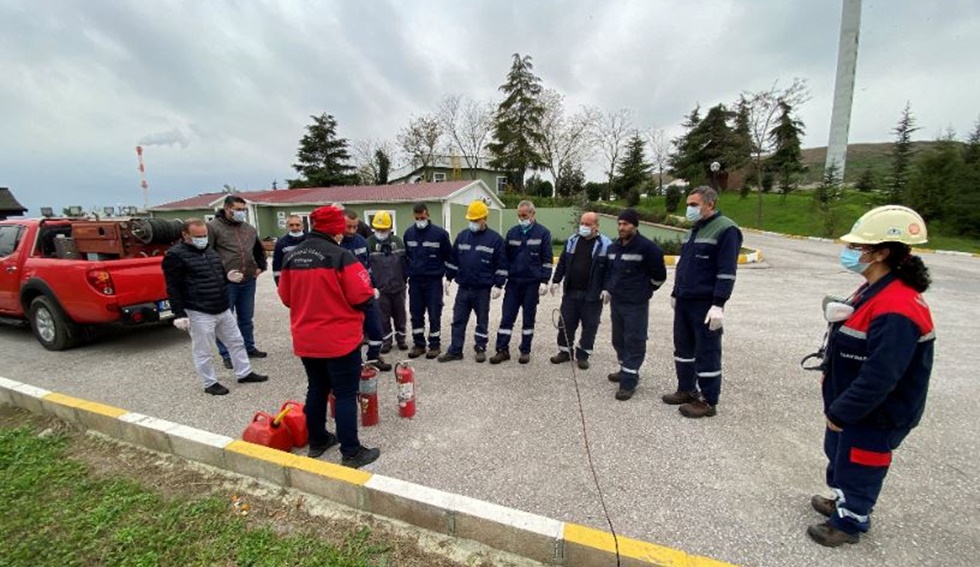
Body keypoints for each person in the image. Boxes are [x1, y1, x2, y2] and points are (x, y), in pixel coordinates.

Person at [807, 205, 934, 547]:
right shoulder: (872, 289)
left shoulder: (897, 307)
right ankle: (843, 500)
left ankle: (850, 522)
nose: (849, 253)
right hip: (854, 404)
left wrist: (842, 410)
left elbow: (881, 375)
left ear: (881, 253)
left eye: (857, 248)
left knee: (861, 463)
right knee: (840, 455)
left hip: (875, 412)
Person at [277, 205, 381, 469]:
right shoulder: (341, 256)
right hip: (339, 339)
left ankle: (318, 440)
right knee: (346, 393)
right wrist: (370, 298)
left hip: (306, 338)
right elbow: (362, 296)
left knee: (317, 388)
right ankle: (351, 451)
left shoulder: (293, 256)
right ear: (336, 228)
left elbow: (286, 297)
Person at [162, 218, 268, 395]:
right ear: (185, 235)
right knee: (203, 350)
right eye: (197, 236)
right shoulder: (175, 255)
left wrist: (228, 277)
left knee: (236, 341)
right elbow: (173, 286)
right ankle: (209, 383)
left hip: (221, 306)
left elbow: (215, 274)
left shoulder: (209, 251)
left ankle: (244, 372)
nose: (202, 239)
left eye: (204, 235)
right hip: (199, 310)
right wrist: (179, 313)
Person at [663, 186, 743, 418]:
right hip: (685, 300)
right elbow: (685, 265)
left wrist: (719, 303)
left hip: (706, 303)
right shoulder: (694, 230)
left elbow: (727, 271)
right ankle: (686, 389)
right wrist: (676, 292)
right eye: (688, 204)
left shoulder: (726, 229)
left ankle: (708, 400)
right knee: (683, 348)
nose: (689, 209)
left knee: (707, 350)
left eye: (694, 204)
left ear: (710, 204)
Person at [603, 208, 667, 401]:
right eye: (620, 224)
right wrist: (608, 288)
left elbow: (659, 276)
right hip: (617, 302)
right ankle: (626, 369)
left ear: (635, 226)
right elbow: (610, 272)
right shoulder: (614, 248)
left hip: (636, 304)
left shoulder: (647, 248)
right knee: (618, 339)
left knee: (634, 340)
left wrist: (646, 290)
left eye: (626, 224)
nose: (622, 227)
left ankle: (629, 381)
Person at [439, 200, 507, 363]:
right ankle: (455, 350)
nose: (473, 223)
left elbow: (501, 264)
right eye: (471, 220)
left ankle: (480, 347)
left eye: (475, 220)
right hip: (463, 287)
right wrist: (448, 277)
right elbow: (453, 259)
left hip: (482, 289)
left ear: (484, 218)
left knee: (481, 320)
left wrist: (499, 284)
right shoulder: (462, 237)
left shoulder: (495, 240)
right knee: (458, 320)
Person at [207, 195, 268, 369]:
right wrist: (220, 274)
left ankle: (248, 347)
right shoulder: (213, 228)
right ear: (227, 209)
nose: (241, 213)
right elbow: (207, 254)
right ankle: (227, 354)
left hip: (248, 280)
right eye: (238, 209)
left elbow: (258, 249)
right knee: (225, 320)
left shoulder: (249, 229)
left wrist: (261, 266)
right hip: (226, 282)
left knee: (246, 318)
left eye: (244, 210)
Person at [490, 200, 552, 364]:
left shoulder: (543, 233)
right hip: (514, 283)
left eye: (524, 215)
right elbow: (504, 260)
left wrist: (545, 280)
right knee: (507, 317)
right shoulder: (512, 233)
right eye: (519, 215)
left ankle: (525, 350)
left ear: (533, 214)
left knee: (528, 318)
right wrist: (499, 283)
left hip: (532, 284)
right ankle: (502, 350)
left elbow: (547, 259)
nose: (521, 218)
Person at [549, 211, 612, 370]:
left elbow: (610, 270)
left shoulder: (606, 244)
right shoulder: (572, 240)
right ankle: (564, 351)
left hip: (592, 294)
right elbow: (563, 262)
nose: (583, 227)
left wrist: (607, 289)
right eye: (582, 223)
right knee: (566, 322)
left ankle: (583, 354)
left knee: (590, 325)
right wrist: (556, 281)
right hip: (571, 291)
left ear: (596, 226)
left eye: (587, 224)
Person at [341, 209, 391, 371]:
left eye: (354, 227)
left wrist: (374, 286)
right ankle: (352, 363)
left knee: (376, 326)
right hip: (345, 295)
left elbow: (368, 268)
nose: (351, 231)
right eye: (348, 227)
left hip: (365, 291)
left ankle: (373, 357)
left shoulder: (362, 241)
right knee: (351, 331)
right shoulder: (335, 245)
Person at [402, 202, 453, 359]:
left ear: (428, 214)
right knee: (416, 314)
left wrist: (449, 277)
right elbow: (406, 258)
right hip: (415, 282)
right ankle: (419, 344)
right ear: (414, 216)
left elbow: (449, 257)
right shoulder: (408, 234)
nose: (420, 220)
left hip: (433, 281)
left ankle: (434, 345)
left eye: (422, 217)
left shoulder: (440, 234)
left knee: (434, 313)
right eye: (417, 218)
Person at [366, 211, 409, 353]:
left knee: (400, 315)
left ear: (389, 228)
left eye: (384, 229)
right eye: (378, 229)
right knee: (382, 317)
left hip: (398, 287)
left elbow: (404, 263)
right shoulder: (369, 244)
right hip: (380, 288)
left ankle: (401, 339)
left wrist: (404, 280)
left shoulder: (398, 241)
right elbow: (366, 268)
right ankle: (387, 341)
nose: (381, 232)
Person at [272, 215, 306, 286]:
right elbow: (277, 265)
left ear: (302, 225)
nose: (295, 227)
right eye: (291, 225)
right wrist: (279, 283)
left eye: (297, 225)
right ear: (287, 226)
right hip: (291, 280)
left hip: (309, 278)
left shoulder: (311, 240)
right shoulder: (281, 243)